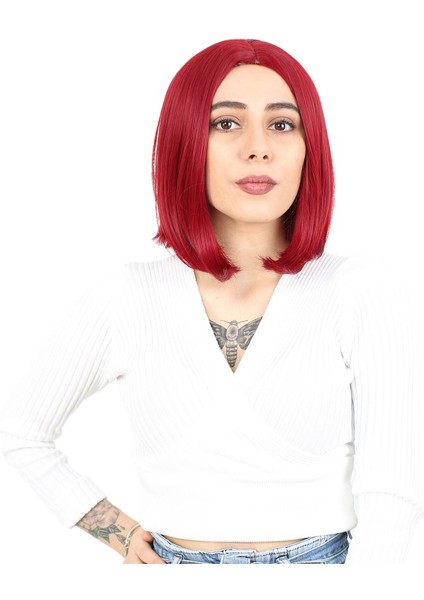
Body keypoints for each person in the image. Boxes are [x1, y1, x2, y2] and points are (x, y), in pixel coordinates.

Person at [0, 38, 422, 565]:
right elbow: (20, 430)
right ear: (184, 144)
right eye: (226, 123)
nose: (258, 148)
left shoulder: (360, 289)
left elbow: (393, 491)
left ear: (308, 146)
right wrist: (119, 533)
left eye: (281, 124)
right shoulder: (126, 296)